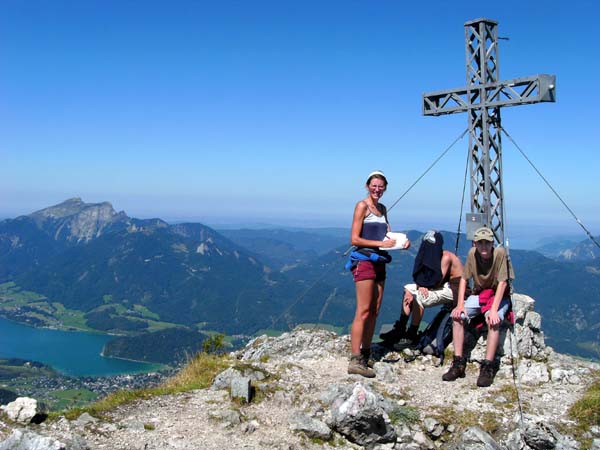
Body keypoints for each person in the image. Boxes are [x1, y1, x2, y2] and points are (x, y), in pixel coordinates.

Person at [348, 170, 410, 377]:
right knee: (364, 310)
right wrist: (379, 244)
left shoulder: (382, 209)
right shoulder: (362, 206)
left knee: (374, 310)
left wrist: (402, 243)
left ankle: (366, 353)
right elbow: (354, 239)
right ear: (367, 186)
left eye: (381, 186)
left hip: (379, 262)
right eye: (374, 186)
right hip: (364, 261)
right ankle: (355, 359)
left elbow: (387, 235)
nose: (377, 189)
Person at [442, 226, 514, 387]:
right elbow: (463, 279)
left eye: (486, 243)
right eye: (480, 243)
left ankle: (488, 367)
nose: (483, 246)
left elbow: (503, 283)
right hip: (480, 294)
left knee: (493, 321)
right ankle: (458, 363)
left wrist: (494, 310)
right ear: (475, 243)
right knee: (457, 317)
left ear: (492, 244)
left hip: (497, 295)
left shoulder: (500, 254)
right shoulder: (471, 254)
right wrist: (460, 305)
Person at [379, 230, 463, 346]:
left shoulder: (446, 257)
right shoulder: (436, 256)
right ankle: (400, 328)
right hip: (442, 285)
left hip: (455, 289)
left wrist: (423, 287)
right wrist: (420, 286)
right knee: (407, 288)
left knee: (419, 297)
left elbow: (437, 281)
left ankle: (412, 334)